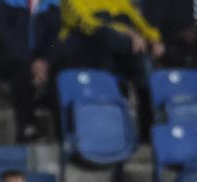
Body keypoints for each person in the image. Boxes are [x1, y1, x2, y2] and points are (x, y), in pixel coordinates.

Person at [58, 0, 164, 132]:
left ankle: (149, 130)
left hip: (121, 50)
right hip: (86, 51)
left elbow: (137, 20)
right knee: (106, 35)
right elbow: (87, 23)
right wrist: (128, 32)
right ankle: (108, 125)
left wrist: (153, 39)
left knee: (143, 62)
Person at [0, 0, 61, 141]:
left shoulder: (51, 6)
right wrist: (31, 64)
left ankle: (61, 134)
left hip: (38, 64)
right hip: (4, 59)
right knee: (22, 72)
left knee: (60, 73)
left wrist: (45, 61)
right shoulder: (0, 3)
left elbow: (55, 38)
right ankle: (27, 126)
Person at [140, 0, 197, 68]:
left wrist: (191, 30)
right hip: (160, 41)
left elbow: (188, 21)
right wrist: (154, 42)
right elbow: (148, 25)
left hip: (185, 39)